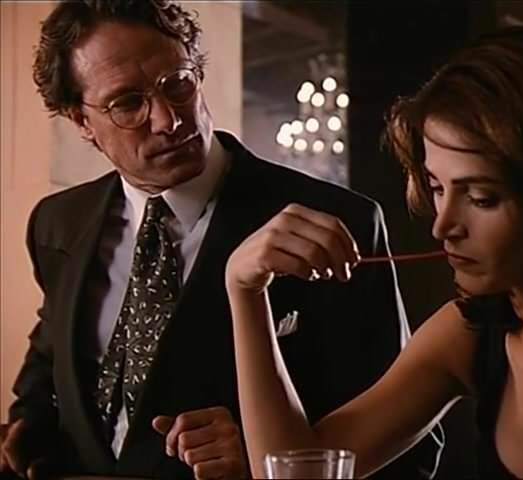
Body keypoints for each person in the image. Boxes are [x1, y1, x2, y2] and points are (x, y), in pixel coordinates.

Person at [0, 1, 442, 479]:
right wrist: (26, 432)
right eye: (127, 103)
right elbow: (50, 368)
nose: (168, 120)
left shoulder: (336, 219)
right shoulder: (57, 223)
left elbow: (411, 449)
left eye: (177, 84)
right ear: (80, 121)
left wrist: (265, 461)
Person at [225, 26, 523, 479]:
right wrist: (244, 290)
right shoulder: (468, 333)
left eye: (481, 197)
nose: (442, 226)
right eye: (437, 187)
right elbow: (298, 472)